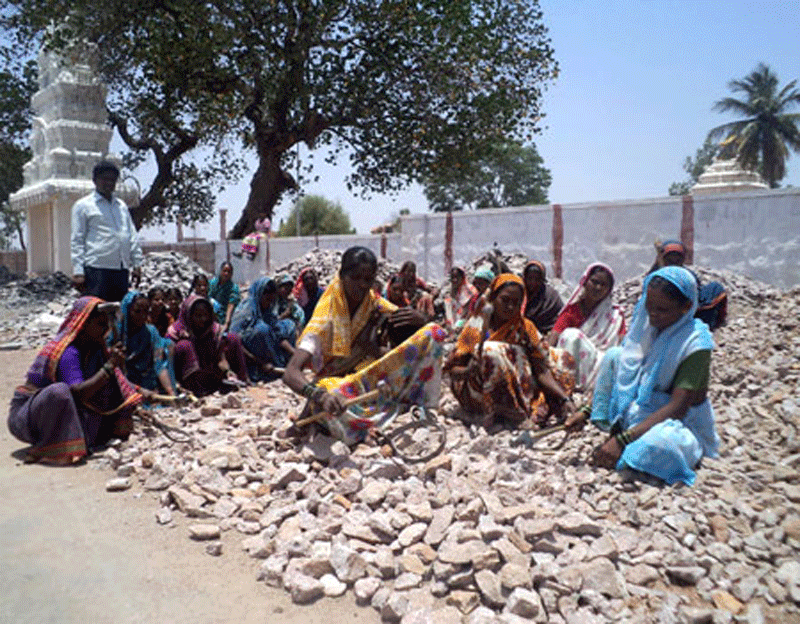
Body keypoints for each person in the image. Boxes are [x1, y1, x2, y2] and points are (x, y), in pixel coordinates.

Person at [566, 266, 719, 486]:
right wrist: (586, 411)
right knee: (616, 356)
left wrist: (624, 440)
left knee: (660, 445)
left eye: (663, 309)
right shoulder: (648, 327)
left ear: (686, 307)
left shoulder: (695, 343)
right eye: (649, 307)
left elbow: (678, 408)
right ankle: (623, 432)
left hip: (678, 420)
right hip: (641, 407)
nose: (653, 314)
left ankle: (633, 446)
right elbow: (626, 377)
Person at [283, 246, 446, 445]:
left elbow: (400, 319)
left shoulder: (372, 300)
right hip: (337, 384)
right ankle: (361, 424)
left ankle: (417, 402)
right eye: (355, 278)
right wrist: (319, 396)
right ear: (342, 276)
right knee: (334, 399)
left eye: (368, 280)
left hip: (369, 377)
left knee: (434, 332)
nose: (362, 285)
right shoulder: (325, 318)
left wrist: (421, 318)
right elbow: (291, 373)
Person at [7, 297, 143, 465]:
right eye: (100, 324)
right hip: (29, 419)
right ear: (84, 324)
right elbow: (78, 394)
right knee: (60, 392)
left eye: (106, 324)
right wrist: (109, 366)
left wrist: (140, 395)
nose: (106, 330)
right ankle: (45, 448)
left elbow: (119, 382)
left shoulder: (96, 351)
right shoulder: (68, 352)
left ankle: (84, 439)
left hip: (64, 412)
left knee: (114, 389)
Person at [444, 274, 576, 429]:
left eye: (516, 303)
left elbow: (541, 369)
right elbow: (451, 371)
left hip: (516, 386)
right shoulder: (476, 327)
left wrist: (564, 397)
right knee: (491, 350)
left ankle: (544, 404)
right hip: (477, 390)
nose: (510, 307)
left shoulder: (525, 327)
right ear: (493, 298)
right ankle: (509, 414)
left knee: (561, 357)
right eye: (505, 300)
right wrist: (468, 370)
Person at [70, 160, 143, 302]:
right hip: (97, 270)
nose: (109, 183)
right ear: (95, 180)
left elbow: (131, 235)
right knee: (98, 314)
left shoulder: (121, 206)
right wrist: (78, 271)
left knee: (120, 313)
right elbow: (77, 240)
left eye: (112, 180)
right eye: (104, 179)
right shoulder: (83, 206)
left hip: (121, 270)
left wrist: (136, 262)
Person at [548, 263, 626, 391]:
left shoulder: (615, 315)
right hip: (573, 365)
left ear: (609, 289)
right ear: (585, 282)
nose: (598, 287)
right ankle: (567, 383)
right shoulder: (572, 310)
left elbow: (622, 342)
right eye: (594, 282)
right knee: (571, 336)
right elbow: (554, 336)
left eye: (603, 285)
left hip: (601, 365)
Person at [166, 295, 249, 396]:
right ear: (189, 315)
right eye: (198, 316)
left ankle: (238, 381)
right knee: (184, 346)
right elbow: (167, 363)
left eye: (206, 315)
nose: (203, 319)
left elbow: (220, 358)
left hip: (210, 371)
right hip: (183, 377)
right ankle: (193, 388)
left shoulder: (213, 330)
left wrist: (228, 371)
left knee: (232, 338)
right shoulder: (176, 332)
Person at [649, 240, 728, 331]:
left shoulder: (686, 274)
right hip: (677, 313)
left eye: (677, 257)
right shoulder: (660, 275)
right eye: (671, 258)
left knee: (715, 288)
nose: (674, 261)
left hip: (686, 310)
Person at [230, 277, 297, 380]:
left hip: (266, 352)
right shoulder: (245, 311)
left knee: (289, 325)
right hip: (248, 357)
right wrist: (261, 363)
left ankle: (283, 363)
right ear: (260, 295)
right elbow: (234, 341)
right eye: (267, 300)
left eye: (272, 300)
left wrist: (295, 353)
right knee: (262, 329)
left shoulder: (267, 312)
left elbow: (278, 334)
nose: (270, 303)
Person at [115, 291, 175, 395]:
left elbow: (159, 364)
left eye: (146, 312)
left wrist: (171, 392)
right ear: (127, 310)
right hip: (123, 386)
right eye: (137, 311)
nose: (142, 316)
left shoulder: (151, 332)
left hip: (147, 384)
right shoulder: (116, 335)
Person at [522, 260, 563, 335]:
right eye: (530, 278)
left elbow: (558, 322)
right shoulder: (519, 292)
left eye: (537, 279)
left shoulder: (551, 297)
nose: (533, 283)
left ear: (542, 279)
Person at [443, 266, 478, 331]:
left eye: (457, 277)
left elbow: (469, 313)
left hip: (468, 322)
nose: (454, 280)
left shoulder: (470, 290)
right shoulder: (452, 291)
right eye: (452, 277)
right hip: (455, 324)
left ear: (462, 277)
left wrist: (460, 325)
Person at [209, 261, 241, 331]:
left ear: (231, 274)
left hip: (225, 316)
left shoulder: (233, 288)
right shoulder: (212, 283)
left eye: (229, 272)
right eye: (224, 271)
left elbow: (231, 306)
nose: (226, 273)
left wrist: (227, 323)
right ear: (221, 271)